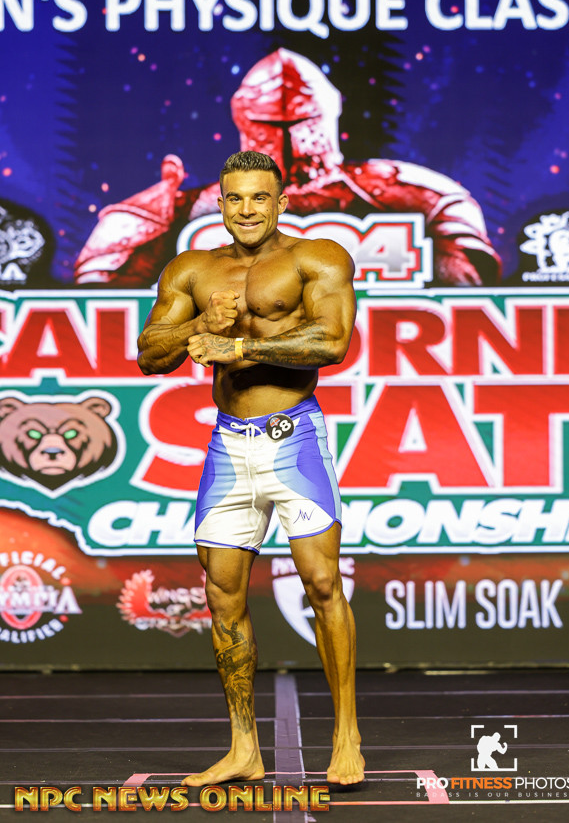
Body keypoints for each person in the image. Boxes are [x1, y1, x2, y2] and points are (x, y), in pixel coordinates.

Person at [137, 149, 364, 788]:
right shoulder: (191, 269)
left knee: (322, 584)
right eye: (235, 198)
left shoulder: (317, 258)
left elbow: (332, 341)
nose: (247, 209)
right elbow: (149, 353)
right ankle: (244, 749)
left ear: (281, 202)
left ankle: (346, 737)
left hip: (295, 438)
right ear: (219, 203)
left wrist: (239, 344)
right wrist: (197, 326)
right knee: (222, 595)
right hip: (228, 445)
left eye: (259, 197)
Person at [75, 49, 501, 288]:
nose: (287, 136)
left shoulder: (419, 194)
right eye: (269, 124)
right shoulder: (180, 208)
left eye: (300, 122)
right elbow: (103, 305)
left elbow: (467, 293)